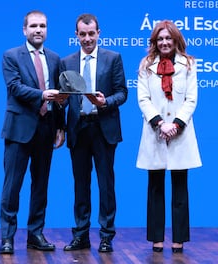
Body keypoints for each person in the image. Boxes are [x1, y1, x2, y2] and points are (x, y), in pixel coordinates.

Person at [0, 10, 65, 254]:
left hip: (46, 130)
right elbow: (14, 88)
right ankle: (7, 238)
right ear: (24, 30)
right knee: (12, 186)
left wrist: (61, 126)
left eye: (43, 26)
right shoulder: (11, 56)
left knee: (40, 185)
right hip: (19, 130)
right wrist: (41, 95)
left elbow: (60, 96)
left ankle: (36, 234)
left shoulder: (55, 59)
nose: (39, 30)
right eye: (34, 26)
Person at [60, 13, 128, 253]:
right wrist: (60, 125)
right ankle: (81, 235)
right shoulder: (67, 62)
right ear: (76, 35)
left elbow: (122, 93)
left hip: (104, 128)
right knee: (81, 184)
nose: (87, 38)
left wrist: (105, 102)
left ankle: (106, 236)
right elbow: (63, 100)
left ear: (99, 33)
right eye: (83, 34)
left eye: (91, 33)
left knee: (106, 185)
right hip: (78, 129)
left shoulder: (113, 58)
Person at [136, 20, 202, 253]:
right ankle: (156, 238)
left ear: (175, 41)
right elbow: (143, 99)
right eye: (160, 39)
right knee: (155, 188)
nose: (164, 43)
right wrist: (160, 123)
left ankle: (179, 239)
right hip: (156, 132)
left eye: (168, 38)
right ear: (155, 42)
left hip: (180, 133)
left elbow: (191, 99)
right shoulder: (146, 65)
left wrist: (176, 124)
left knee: (180, 188)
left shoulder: (189, 64)